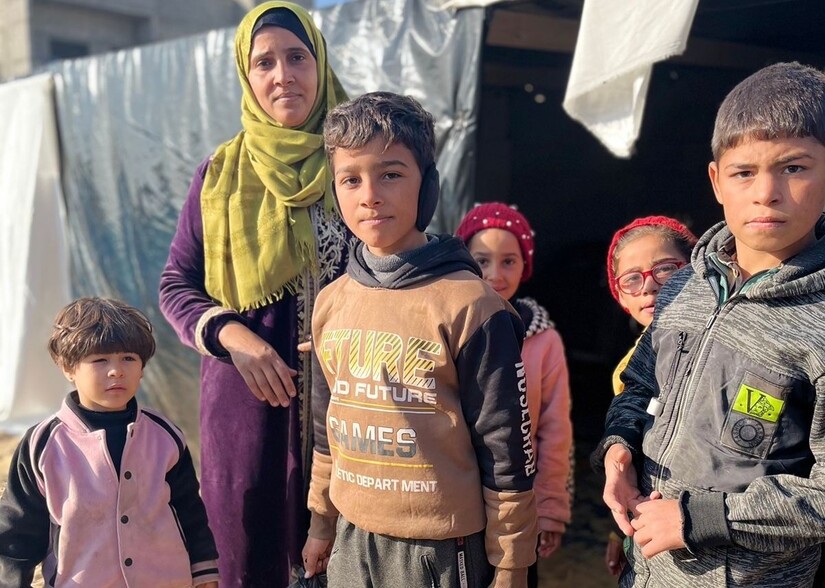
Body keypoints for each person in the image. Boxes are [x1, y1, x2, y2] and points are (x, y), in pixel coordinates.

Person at [592, 61, 825, 587]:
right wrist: (618, 449)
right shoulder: (683, 289)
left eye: (794, 167)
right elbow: (639, 386)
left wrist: (698, 519)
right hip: (646, 570)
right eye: (745, 172)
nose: (766, 192)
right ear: (717, 181)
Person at [301, 91, 538, 588]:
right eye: (351, 179)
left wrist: (513, 561)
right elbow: (327, 427)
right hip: (351, 536)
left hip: (439, 550)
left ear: (427, 184)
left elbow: (505, 446)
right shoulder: (332, 302)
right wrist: (321, 521)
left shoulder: (471, 305)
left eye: (391, 173)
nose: (370, 194)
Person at [158, 0, 348, 587]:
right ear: (247, 75)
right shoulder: (219, 174)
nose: (283, 75)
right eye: (264, 62)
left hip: (350, 402)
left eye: (297, 57)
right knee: (252, 557)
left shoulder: (359, 162)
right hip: (246, 408)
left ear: (319, 63)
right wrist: (233, 336)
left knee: (346, 555)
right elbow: (176, 285)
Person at [0, 297, 218, 587]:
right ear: (68, 367)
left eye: (128, 358)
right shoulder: (44, 445)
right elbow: (19, 532)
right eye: (100, 360)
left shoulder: (165, 436)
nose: (116, 370)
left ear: (142, 367)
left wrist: (204, 573)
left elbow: (189, 511)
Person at [456, 202, 573, 588]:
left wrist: (550, 509)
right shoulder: (447, 328)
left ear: (526, 266)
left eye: (509, 261)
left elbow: (555, 431)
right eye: (482, 260)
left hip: (519, 513)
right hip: (455, 506)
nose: (494, 274)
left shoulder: (544, 341)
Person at [603, 215, 697, 576]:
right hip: (647, 527)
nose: (649, 287)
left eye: (666, 270)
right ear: (621, 296)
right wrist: (618, 531)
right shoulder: (631, 362)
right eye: (632, 278)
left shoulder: (716, 348)